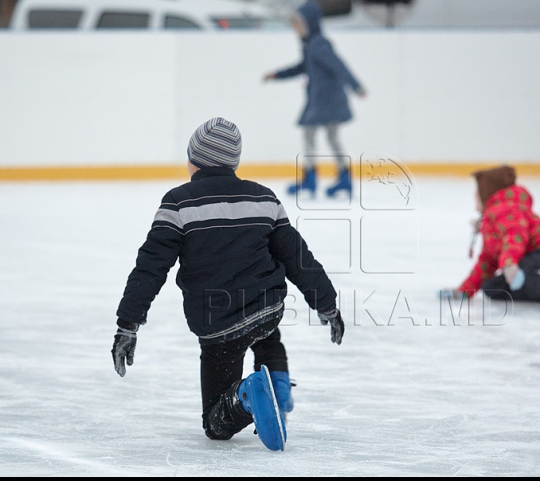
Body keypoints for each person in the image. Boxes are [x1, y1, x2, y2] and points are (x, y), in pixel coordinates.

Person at [111, 117, 345, 452]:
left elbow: (150, 268)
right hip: (268, 310)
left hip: (218, 325)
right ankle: (277, 384)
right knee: (265, 332)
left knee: (215, 424)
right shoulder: (264, 198)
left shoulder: (178, 203)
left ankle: (246, 396)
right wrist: (327, 304)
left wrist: (128, 325)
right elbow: (298, 257)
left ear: (194, 161)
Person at [441, 165, 540, 310]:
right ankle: (539, 291)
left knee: (528, 275)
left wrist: (509, 264)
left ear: (486, 192)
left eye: (478, 190)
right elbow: (487, 261)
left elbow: (515, 236)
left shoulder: (506, 209)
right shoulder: (490, 220)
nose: (474, 194)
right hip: (519, 260)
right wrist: (465, 290)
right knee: (492, 287)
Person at [262, 0, 366, 198]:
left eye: (298, 24)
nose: (295, 28)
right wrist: (276, 75)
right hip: (323, 100)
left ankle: (314, 178)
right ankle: (341, 178)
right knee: (328, 137)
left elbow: (339, 66)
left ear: (310, 23)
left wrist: (356, 85)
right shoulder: (311, 46)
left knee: (314, 135)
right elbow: (302, 67)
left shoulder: (318, 44)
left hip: (326, 100)